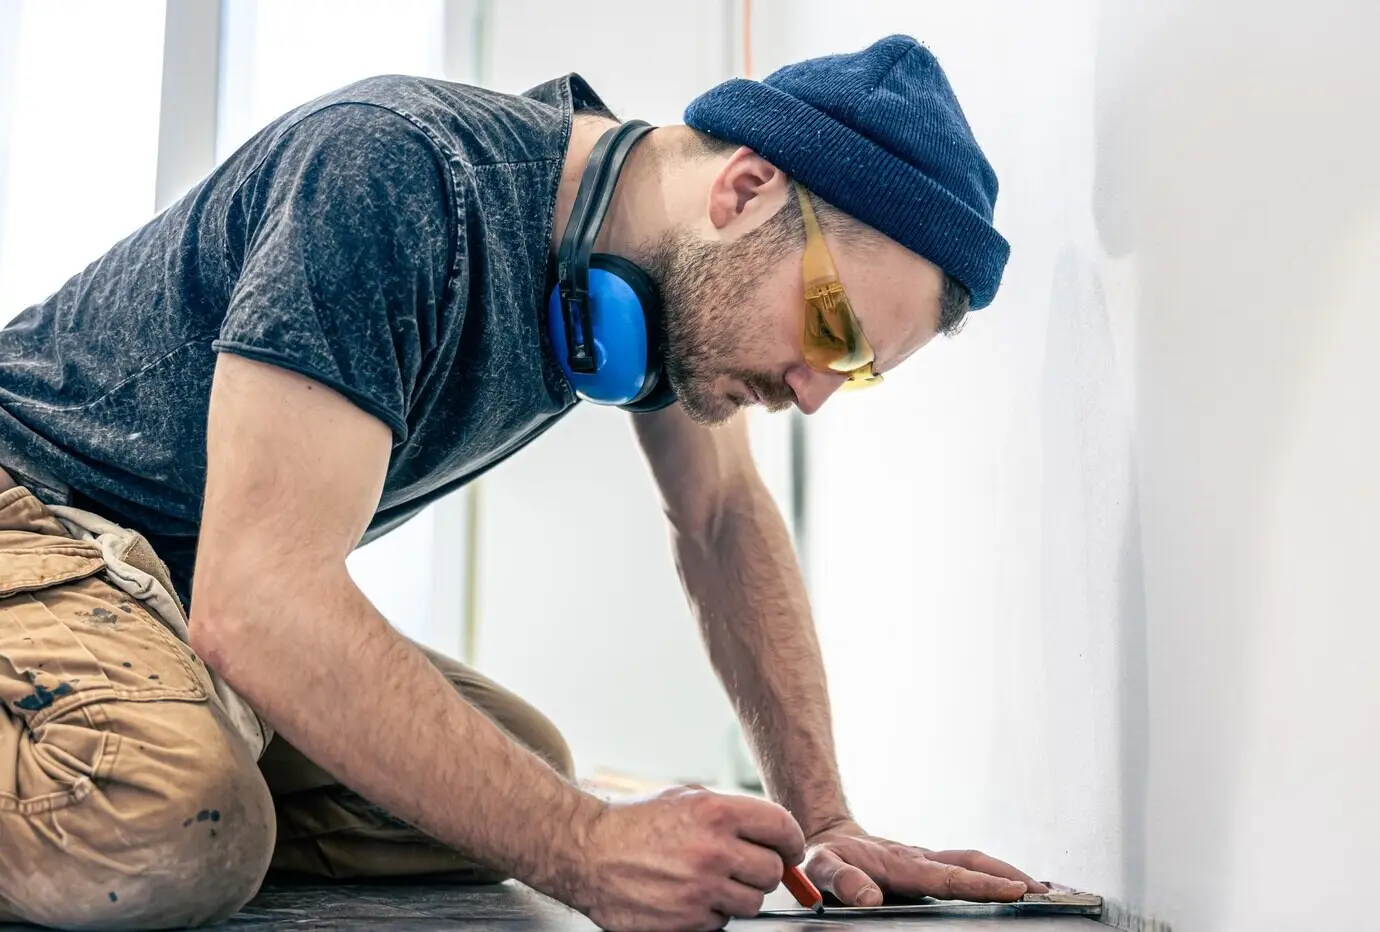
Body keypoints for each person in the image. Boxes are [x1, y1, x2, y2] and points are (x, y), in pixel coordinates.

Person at [0, 33, 1045, 932]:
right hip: (29, 504)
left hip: (158, 587)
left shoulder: (649, 275)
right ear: (744, 189)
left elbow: (721, 516)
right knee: (162, 813)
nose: (814, 393)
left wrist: (829, 822)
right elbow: (261, 600)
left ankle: (153, 766)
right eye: (830, 331)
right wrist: (588, 847)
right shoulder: (395, 173)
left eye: (854, 371)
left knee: (516, 762)